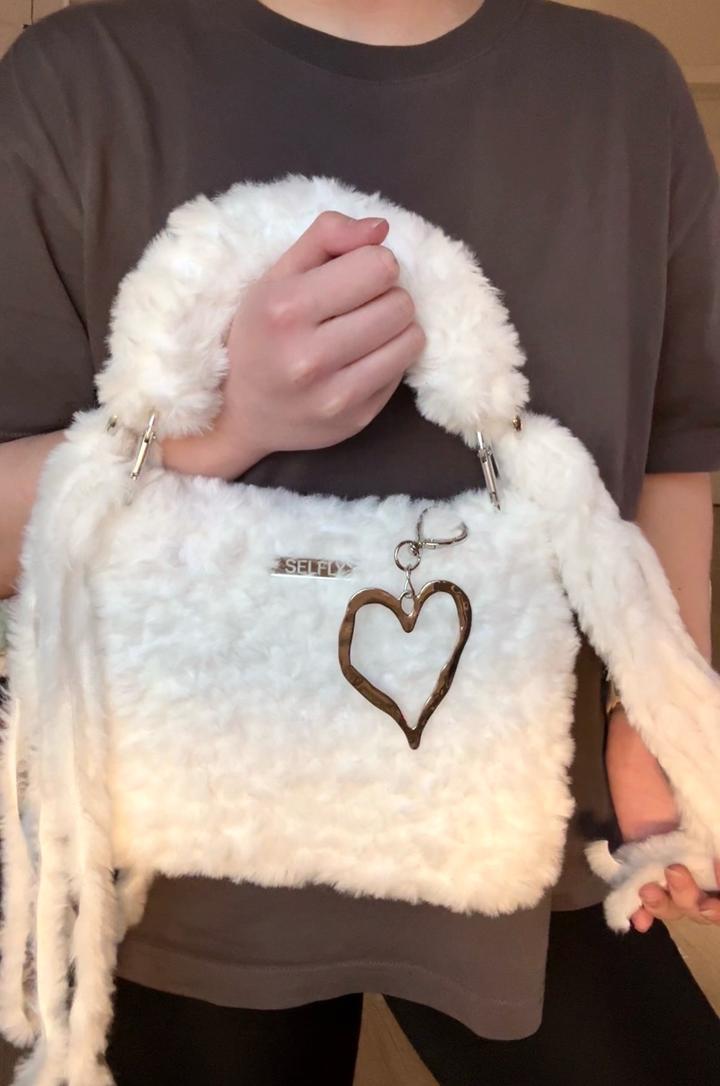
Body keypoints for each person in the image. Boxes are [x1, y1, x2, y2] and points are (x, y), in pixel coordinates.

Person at [1, 1, 719, 1083]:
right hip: (165, 874)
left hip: (542, 825)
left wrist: (657, 715)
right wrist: (215, 429)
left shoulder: (625, 92)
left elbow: (673, 443)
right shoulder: (81, 81)